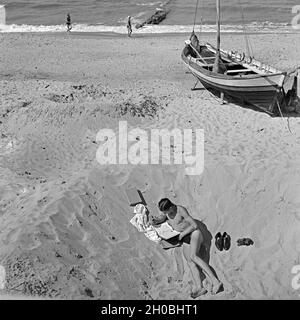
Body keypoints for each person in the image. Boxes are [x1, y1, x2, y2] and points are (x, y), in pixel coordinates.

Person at [156, 198, 223, 298]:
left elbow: (194, 225)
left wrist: (182, 234)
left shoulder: (180, 210)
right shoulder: (167, 213)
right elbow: (163, 217)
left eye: (167, 211)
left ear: (171, 207)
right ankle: (199, 287)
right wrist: (156, 220)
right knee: (190, 262)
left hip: (194, 234)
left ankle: (216, 282)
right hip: (185, 239)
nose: (167, 214)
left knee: (194, 256)